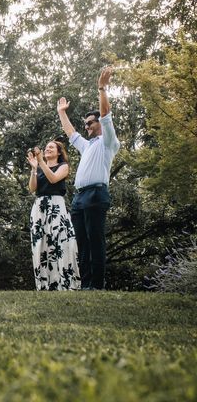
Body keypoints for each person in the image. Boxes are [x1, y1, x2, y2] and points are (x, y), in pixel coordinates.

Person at [57, 67, 121, 290]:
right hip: (79, 198)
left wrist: (102, 89)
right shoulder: (86, 146)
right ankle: (85, 286)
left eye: (90, 123)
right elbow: (71, 133)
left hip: (96, 194)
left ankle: (97, 285)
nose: (86, 126)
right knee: (82, 244)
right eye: (85, 123)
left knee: (95, 241)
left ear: (99, 125)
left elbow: (106, 115)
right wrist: (62, 112)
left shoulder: (108, 142)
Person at [27, 141, 80, 290]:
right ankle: (44, 285)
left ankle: (66, 283)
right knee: (41, 244)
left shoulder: (63, 166)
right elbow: (32, 188)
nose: (47, 149)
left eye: (51, 147)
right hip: (39, 207)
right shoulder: (40, 167)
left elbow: (53, 179)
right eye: (46, 147)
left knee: (61, 243)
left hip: (56, 205)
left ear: (58, 152)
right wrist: (34, 169)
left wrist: (41, 163)